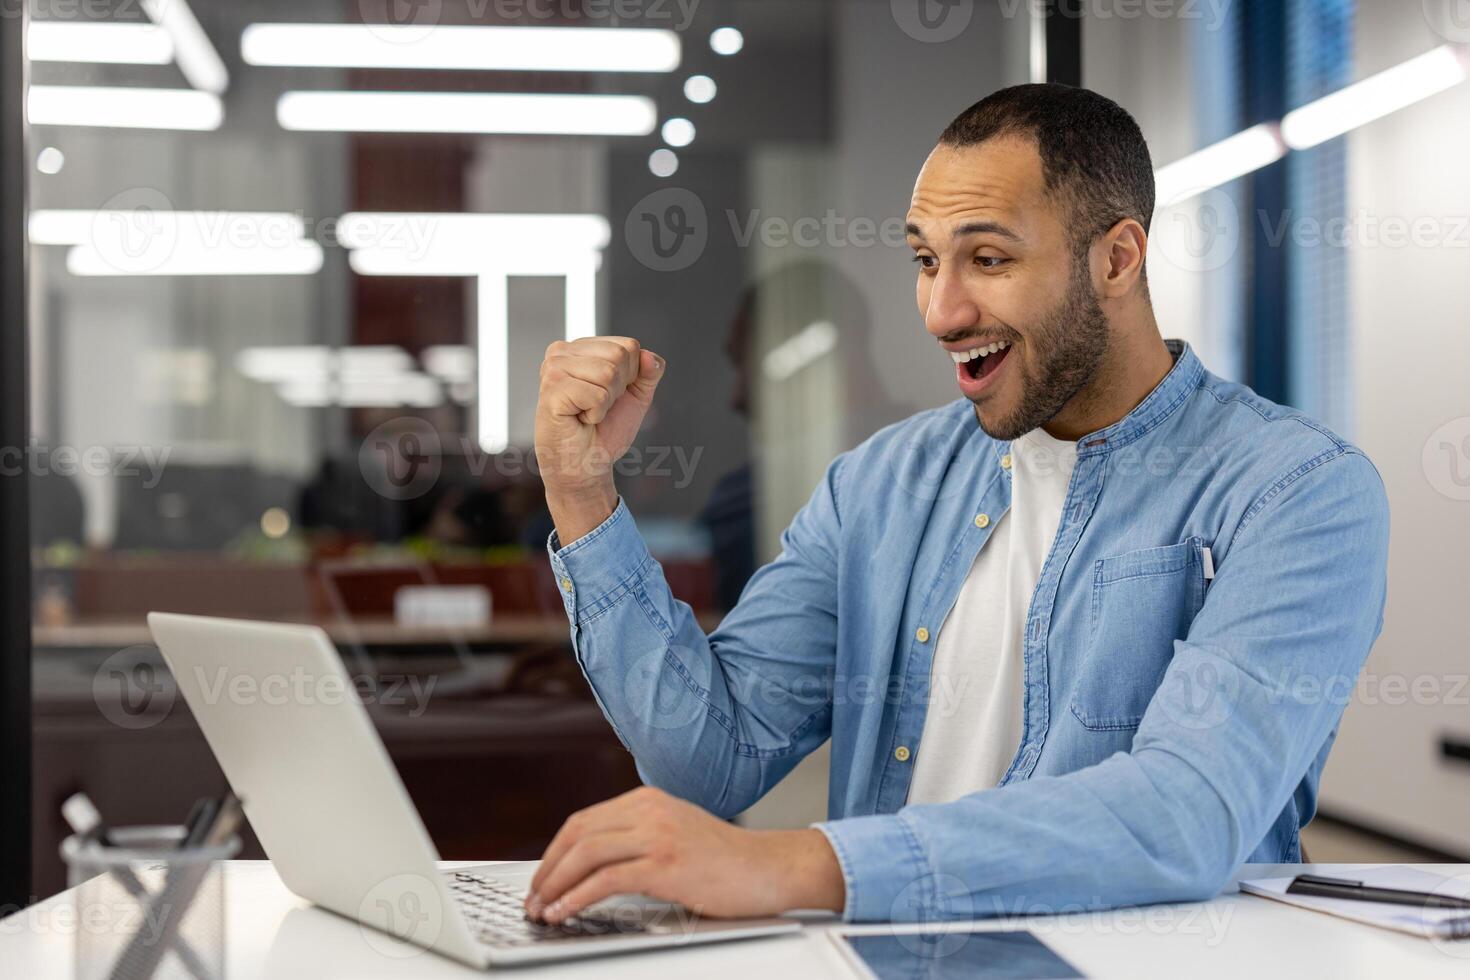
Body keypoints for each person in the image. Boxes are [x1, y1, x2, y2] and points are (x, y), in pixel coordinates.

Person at [522, 84, 1389, 925]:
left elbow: (1186, 815)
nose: (941, 312)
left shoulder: (1297, 491)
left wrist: (797, 864)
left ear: (1118, 259)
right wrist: (581, 490)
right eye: (926, 260)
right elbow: (710, 757)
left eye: (989, 258)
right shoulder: (875, 486)